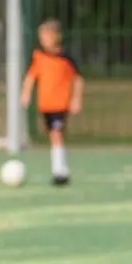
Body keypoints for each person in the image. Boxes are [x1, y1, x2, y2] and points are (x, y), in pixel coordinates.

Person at [20, 19, 83, 186]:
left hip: (60, 104)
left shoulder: (66, 59)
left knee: (57, 134)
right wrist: (26, 93)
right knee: (53, 136)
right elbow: (31, 76)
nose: (44, 40)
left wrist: (76, 99)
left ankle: (60, 171)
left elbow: (77, 79)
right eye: (42, 37)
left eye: (47, 36)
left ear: (57, 37)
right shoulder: (39, 57)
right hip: (45, 104)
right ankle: (59, 169)